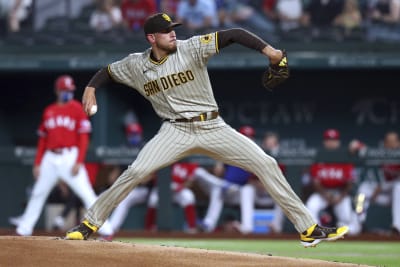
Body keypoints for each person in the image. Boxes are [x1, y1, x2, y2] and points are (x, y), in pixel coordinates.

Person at [65, 12, 349, 247]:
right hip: (174, 131)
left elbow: (235, 33)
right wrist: (90, 88)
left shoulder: (190, 47)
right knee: (136, 171)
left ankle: (308, 229)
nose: (173, 33)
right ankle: (91, 222)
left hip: (212, 126)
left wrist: (271, 52)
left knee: (266, 163)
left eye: (173, 29)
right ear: (151, 38)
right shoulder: (135, 65)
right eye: (166, 32)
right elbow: (108, 72)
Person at [13, 75, 114, 240]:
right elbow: (42, 140)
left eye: (70, 90)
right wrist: (38, 163)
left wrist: (79, 161)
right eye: (64, 90)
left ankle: (107, 229)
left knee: (86, 193)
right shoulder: (49, 111)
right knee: (38, 193)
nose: (68, 93)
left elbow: (83, 138)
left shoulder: (77, 109)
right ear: (57, 91)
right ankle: (24, 229)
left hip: (70, 156)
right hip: (50, 158)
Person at [200, 125, 284, 234]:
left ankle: (253, 228)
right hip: (233, 190)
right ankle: (208, 224)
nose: (248, 140)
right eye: (245, 137)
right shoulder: (229, 152)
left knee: (249, 190)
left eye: (250, 137)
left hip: (260, 192)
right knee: (217, 188)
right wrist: (219, 163)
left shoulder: (258, 154)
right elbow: (218, 172)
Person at [304, 129, 361, 235]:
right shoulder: (318, 156)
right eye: (328, 140)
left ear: (338, 142)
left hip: (340, 193)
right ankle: (320, 232)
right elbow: (315, 182)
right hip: (323, 192)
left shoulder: (345, 156)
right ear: (324, 142)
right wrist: (326, 195)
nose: (331, 142)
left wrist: (340, 197)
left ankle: (340, 231)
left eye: (334, 140)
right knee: (311, 206)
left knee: (347, 219)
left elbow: (349, 183)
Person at [355, 130, 400, 234]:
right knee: (362, 190)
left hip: (396, 196)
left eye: (393, 141)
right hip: (384, 194)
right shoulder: (381, 154)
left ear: (398, 143)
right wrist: (355, 145)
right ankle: (359, 221)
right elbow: (362, 148)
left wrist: (381, 187)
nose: (390, 144)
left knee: (399, 187)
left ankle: (397, 226)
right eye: (388, 141)